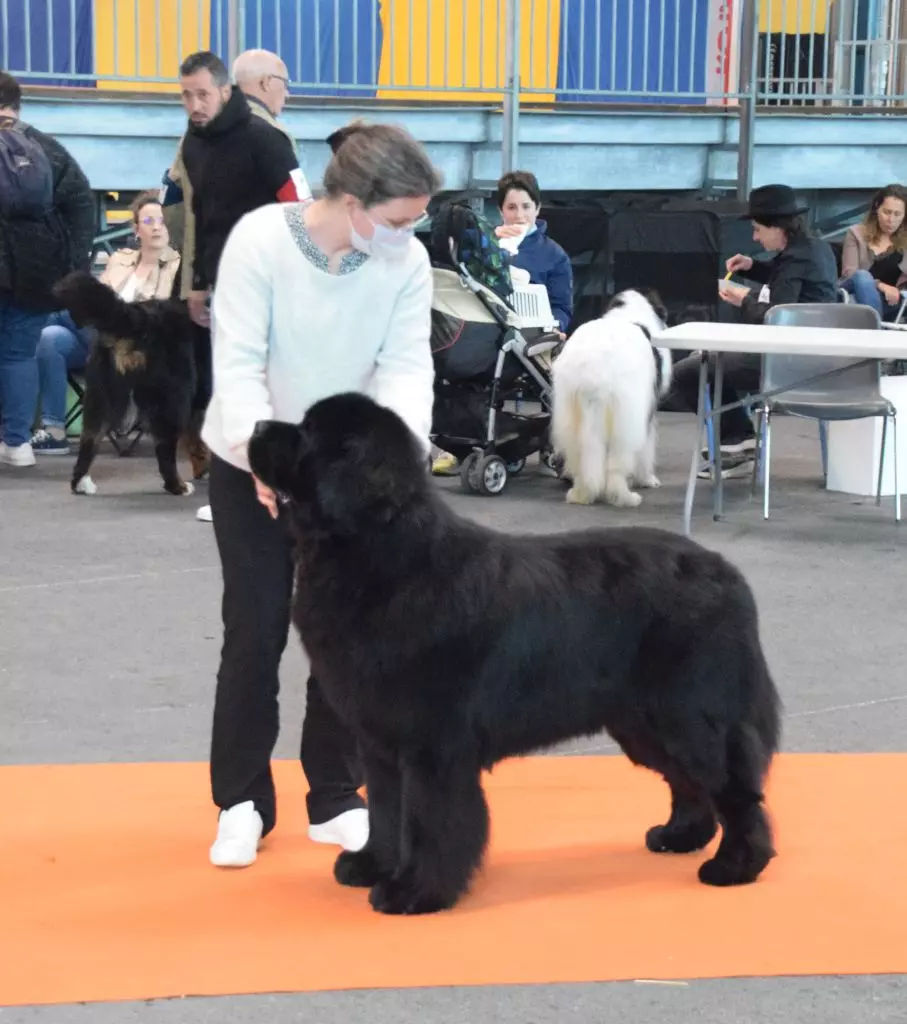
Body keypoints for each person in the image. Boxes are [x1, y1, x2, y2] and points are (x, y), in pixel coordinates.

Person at [203, 120, 440, 869]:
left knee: (351, 638)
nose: (410, 233)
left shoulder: (406, 262)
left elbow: (406, 369)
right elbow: (237, 363)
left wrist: (399, 462)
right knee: (256, 627)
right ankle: (240, 799)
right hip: (256, 461)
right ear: (351, 201)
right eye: (400, 219)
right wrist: (258, 460)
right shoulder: (258, 241)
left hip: (352, 480)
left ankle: (336, 794)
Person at [160, 49, 311, 523]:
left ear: (226, 91)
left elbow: (301, 211)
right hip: (221, 285)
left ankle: (284, 486)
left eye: (202, 94)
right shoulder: (192, 144)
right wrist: (196, 285)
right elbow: (196, 220)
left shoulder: (267, 141)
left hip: (273, 286)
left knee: (271, 390)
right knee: (230, 391)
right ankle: (239, 491)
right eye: (186, 95)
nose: (194, 104)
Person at [670, 183, 838, 480]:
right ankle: (740, 443)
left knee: (689, 370)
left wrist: (742, 299)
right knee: (710, 361)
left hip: (787, 362)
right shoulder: (814, 249)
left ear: (777, 228)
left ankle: (737, 443)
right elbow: (784, 276)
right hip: (814, 356)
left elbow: (777, 319)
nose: (755, 236)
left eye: (758, 229)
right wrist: (750, 267)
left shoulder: (795, 259)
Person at [31, 191, 180, 455]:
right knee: (50, 337)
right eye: (148, 222)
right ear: (136, 230)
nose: (156, 227)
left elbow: (162, 317)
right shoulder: (119, 259)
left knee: (55, 314)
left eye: (161, 221)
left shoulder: (177, 268)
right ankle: (55, 432)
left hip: (137, 346)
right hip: (96, 342)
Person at [0, 71, 95, 468]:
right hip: (35, 273)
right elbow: (83, 205)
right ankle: (17, 444)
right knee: (19, 354)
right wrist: (71, 266)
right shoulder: (47, 148)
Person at [494, 169, 573, 333]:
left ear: (537, 209)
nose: (519, 215)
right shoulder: (486, 243)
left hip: (533, 336)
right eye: (511, 207)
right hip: (489, 332)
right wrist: (490, 238)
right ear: (500, 211)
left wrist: (555, 327)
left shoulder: (555, 255)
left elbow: (561, 307)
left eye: (526, 206)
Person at [839, 183, 907, 321]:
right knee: (862, 276)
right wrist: (880, 286)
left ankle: (874, 324)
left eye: (897, 214)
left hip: (892, 302)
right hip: (855, 292)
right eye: (887, 212)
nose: (891, 220)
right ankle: (874, 331)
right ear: (877, 208)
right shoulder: (856, 233)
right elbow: (849, 273)